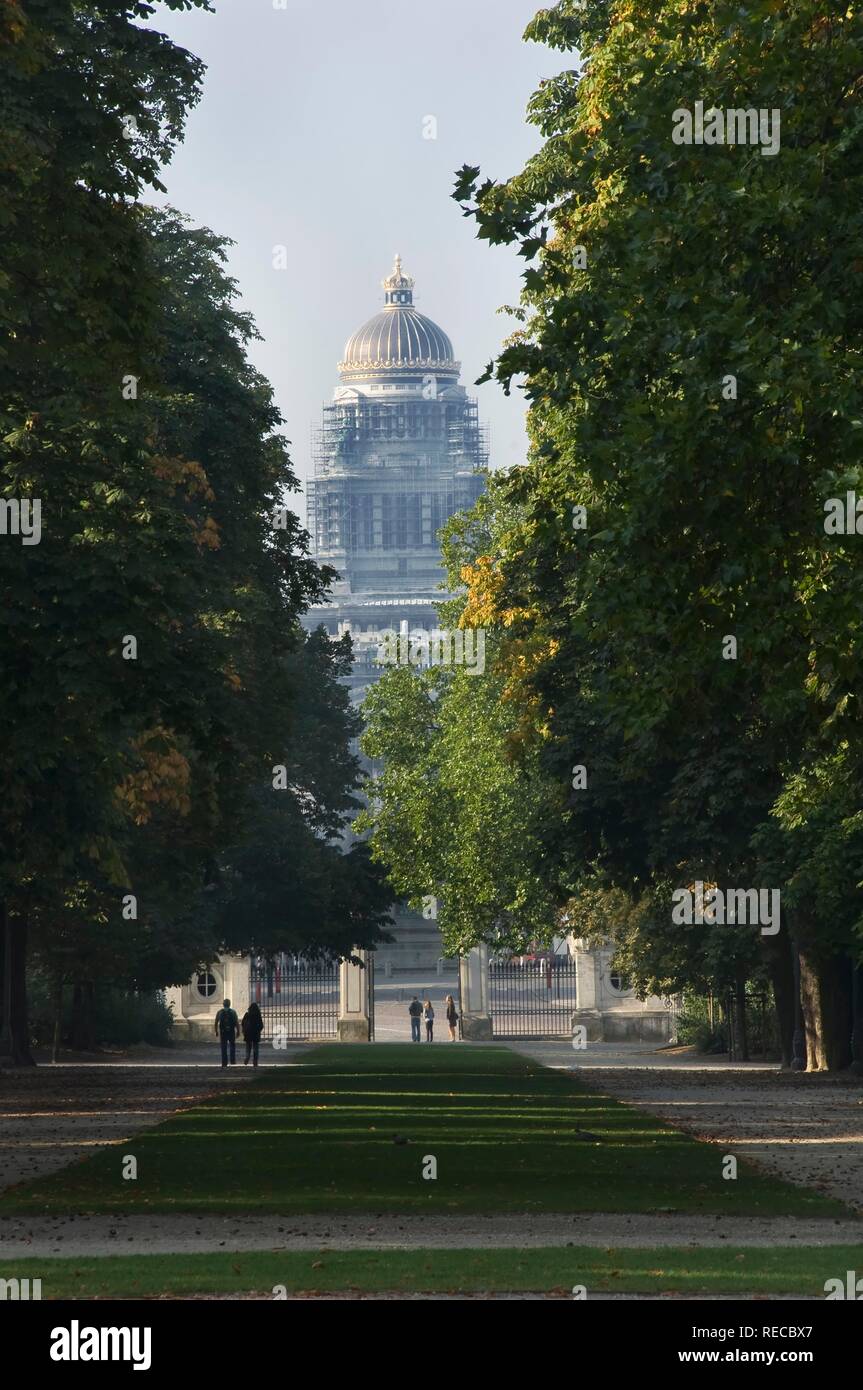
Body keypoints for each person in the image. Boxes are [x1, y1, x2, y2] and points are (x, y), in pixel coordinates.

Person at [214, 997, 240, 1067]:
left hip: (223, 1032)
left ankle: (224, 1062)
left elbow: (216, 1022)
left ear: (223, 1004)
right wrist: (238, 1031)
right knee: (232, 1046)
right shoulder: (233, 1012)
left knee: (223, 1047)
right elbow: (236, 1022)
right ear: (229, 1004)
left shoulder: (219, 1012)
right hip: (231, 1031)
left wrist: (216, 1031)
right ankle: (232, 1060)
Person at [241, 1000, 264, 1067]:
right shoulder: (258, 1015)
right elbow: (261, 1025)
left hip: (248, 1034)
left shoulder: (247, 1014)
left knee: (248, 1047)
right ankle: (255, 1061)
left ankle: (247, 1057)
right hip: (256, 1034)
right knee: (255, 1048)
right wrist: (258, 1030)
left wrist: (244, 1030)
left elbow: (242, 1023)